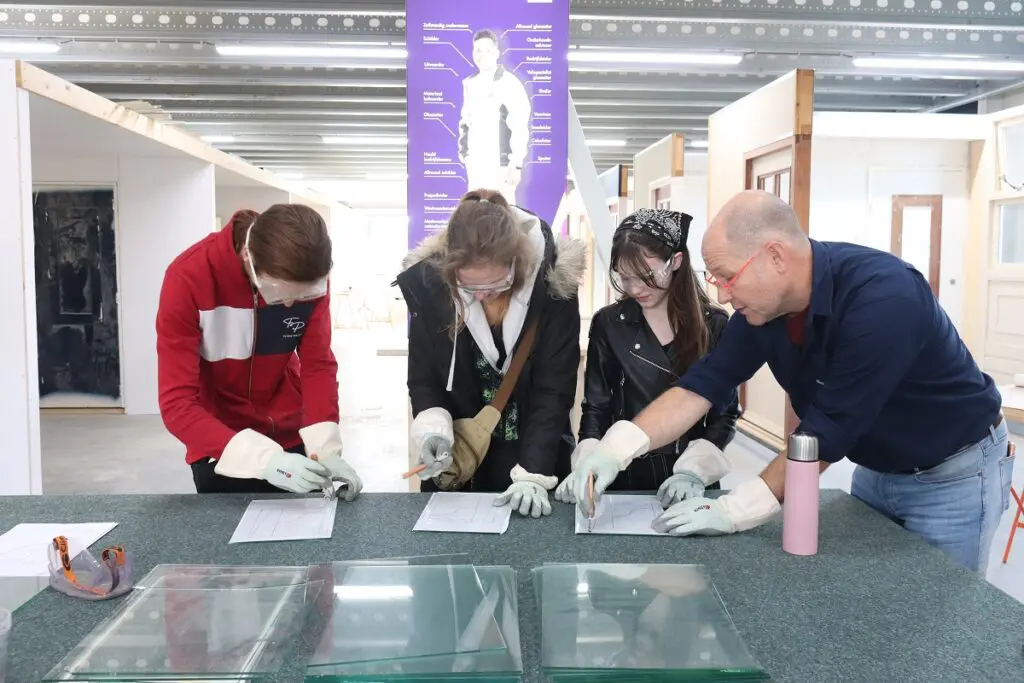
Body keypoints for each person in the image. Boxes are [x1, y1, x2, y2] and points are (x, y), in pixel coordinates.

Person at [572, 190, 1014, 574]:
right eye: (716, 279)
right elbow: (703, 384)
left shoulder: (885, 299)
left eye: (728, 276)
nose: (722, 293)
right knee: (874, 604)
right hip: (877, 470)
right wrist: (616, 448)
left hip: (953, 474)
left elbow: (825, 433)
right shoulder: (764, 309)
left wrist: (733, 509)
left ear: (776, 256)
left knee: (942, 622)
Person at [395, 189, 585, 517]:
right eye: (469, 288)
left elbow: (553, 392)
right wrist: (432, 429)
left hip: (535, 455)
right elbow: (424, 379)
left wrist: (533, 475)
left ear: (518, 265)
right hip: (463, 460)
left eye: (497, 285)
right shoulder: (431, 290)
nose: (483, 296)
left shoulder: (555, 289)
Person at [156, 204, 363, 498]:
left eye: (304, 295)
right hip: (222, 446)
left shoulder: (310, 274)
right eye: (280, 293)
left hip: (292, 436)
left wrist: (326, 449)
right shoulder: (188, 279)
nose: (292, 304)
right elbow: (177, 403)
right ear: (248, 258)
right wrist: (264, 460)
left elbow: (318, 366)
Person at [553, 209, 739, 506]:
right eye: (625, 278)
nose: (635, 289)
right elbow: (596, 409)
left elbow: (725, 412)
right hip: (622, 469)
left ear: (676, 261)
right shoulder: (610, 323)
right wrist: (588, 462)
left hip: (689, 472)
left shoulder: (714, 324)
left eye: (646, 277)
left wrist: (694, 472)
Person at [458, 29, 531, 204]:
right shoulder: (470, 84)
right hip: (476, 165)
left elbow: (519, 124)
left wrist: (516, 163)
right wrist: (465, 155)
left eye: (487, 50)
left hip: (501, 166)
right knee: (475, 215)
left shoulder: (509, 83)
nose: (482, 55)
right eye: (478, 50)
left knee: (504, 216)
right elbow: (465, 121)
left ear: (497, 53)